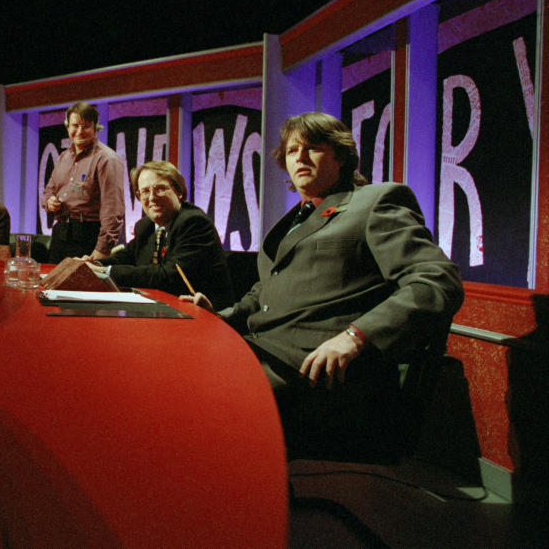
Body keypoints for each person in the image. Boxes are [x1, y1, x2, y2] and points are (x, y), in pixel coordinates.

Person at [184, 112, 464, 458]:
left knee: (194, 403)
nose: (299, 158)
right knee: (169, 376)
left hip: (316, 370)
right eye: (291, 151)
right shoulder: (296, 218)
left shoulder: (375, 201)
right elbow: (267, 290)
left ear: (341, 155)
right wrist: (221, 315)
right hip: (261, 351)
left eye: (312, 148)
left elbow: (437, 280)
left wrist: (355, 336)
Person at [83, 160, 233, 309]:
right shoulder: (145, 225)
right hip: (163, 307)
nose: (152, 197)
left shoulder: (194, 223)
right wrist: (92, 265)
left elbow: (169, 276)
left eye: (160, 189)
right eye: (145, 191)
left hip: (204, 313)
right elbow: (128, 256)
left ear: (178, 191)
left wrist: (105, 272)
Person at [42, 101, 126, 264]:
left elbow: (113, 208)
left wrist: (102, 249)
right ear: (67, 127)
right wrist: (49, 202)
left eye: (86, 126)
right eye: (75, 125)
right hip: (60, 234)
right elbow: (48, 191)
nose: (80, 131)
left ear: (95, 128)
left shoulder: (107, 159)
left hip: (88, 235)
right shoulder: (63, 157)